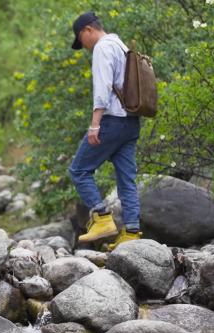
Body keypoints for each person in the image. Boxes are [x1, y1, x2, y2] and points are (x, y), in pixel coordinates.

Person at [68, 11, 142, 250]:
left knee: (79, 170)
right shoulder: (120, 45)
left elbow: (103, 88)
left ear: (88, 30)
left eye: (82, 40)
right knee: (126, 179)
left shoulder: (102, 47)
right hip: (131, 122)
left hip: (112, 121)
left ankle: (101, 217)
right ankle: (132, 232)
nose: (84, 46)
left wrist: (95, 123)